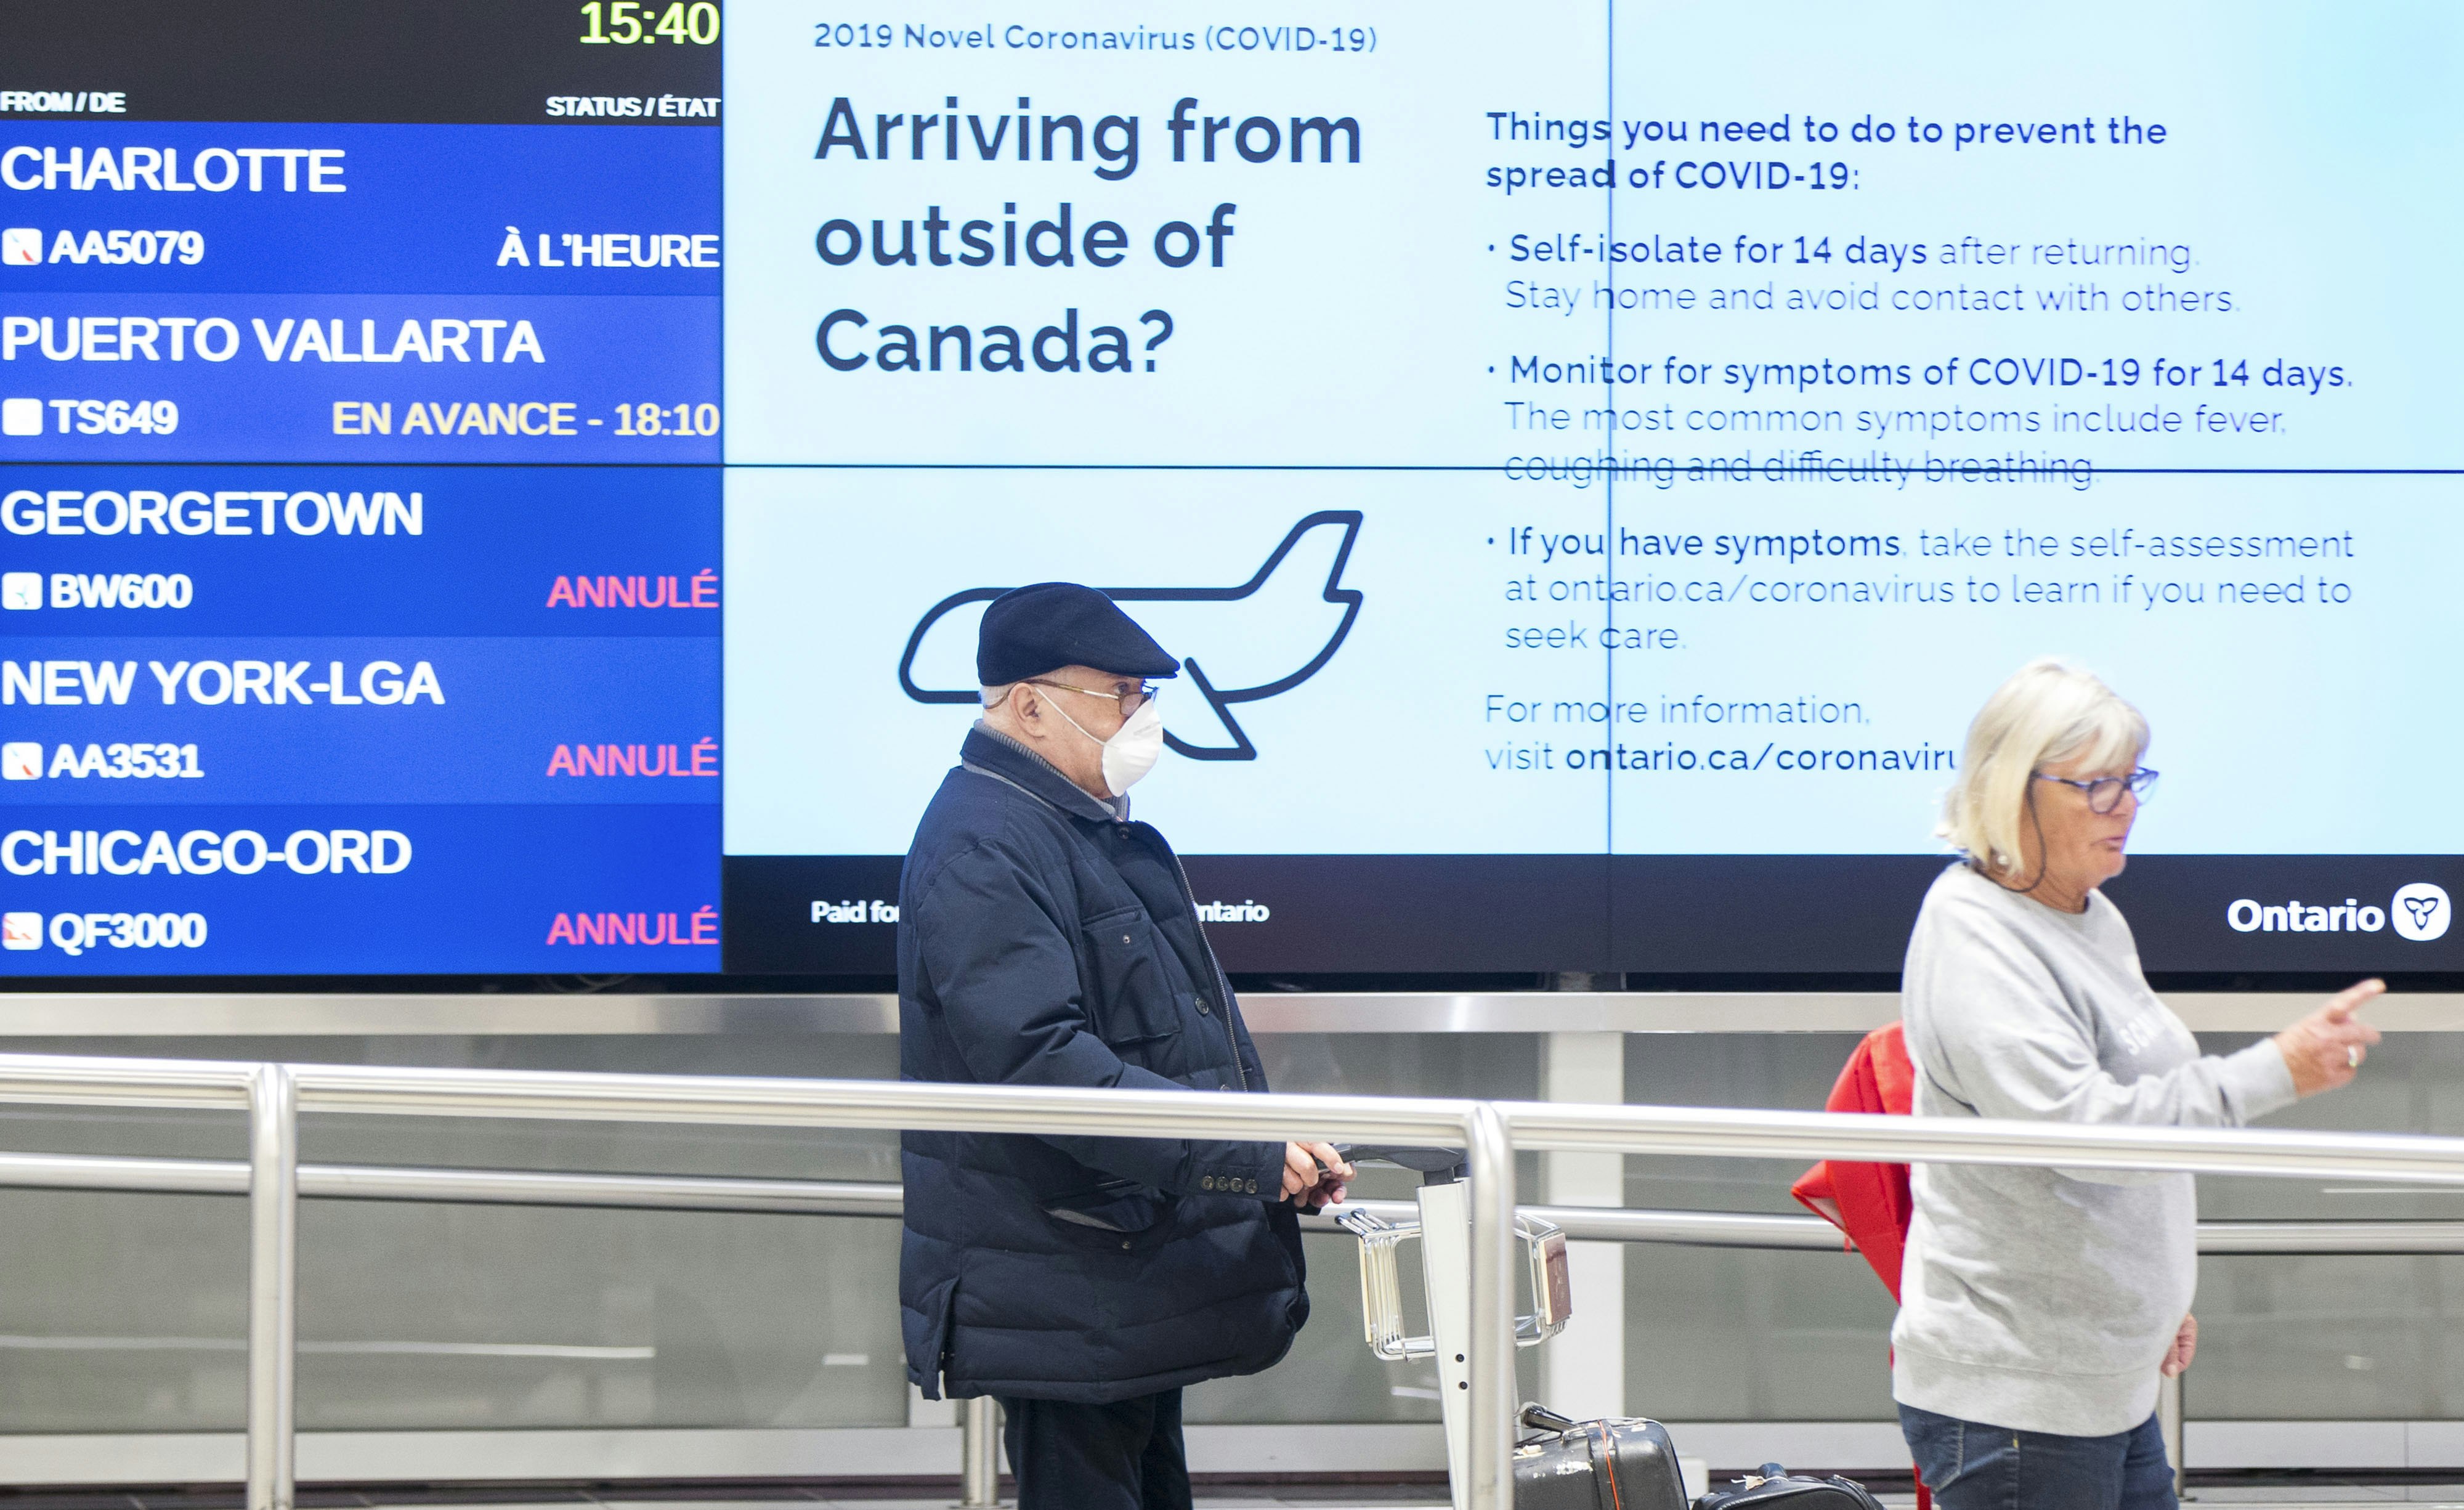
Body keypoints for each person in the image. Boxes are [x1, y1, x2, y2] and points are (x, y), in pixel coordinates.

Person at [895, 581, 1353, 1510]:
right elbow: (1041, 1064)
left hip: (1115, 1263)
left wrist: (1267, 1156)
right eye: (1120, 695)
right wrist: (1243, 1160)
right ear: (1029, 704)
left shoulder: (1072, 830)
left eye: (1144, 697)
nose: (1140, 719)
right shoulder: (988, 844)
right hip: (1068, 1272)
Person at [1894, 657, 2382, 1510]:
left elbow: (2129, 1115)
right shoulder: (1976, 939)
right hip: (2022, 1400)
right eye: (2096, 786)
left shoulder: (2090, 912)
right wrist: (2275, 1072)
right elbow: (2087, 1135)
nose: (2125, 807)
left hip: (2105, 1379)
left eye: (2133, 781)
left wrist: (2157, 1300)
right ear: (2013, 790)